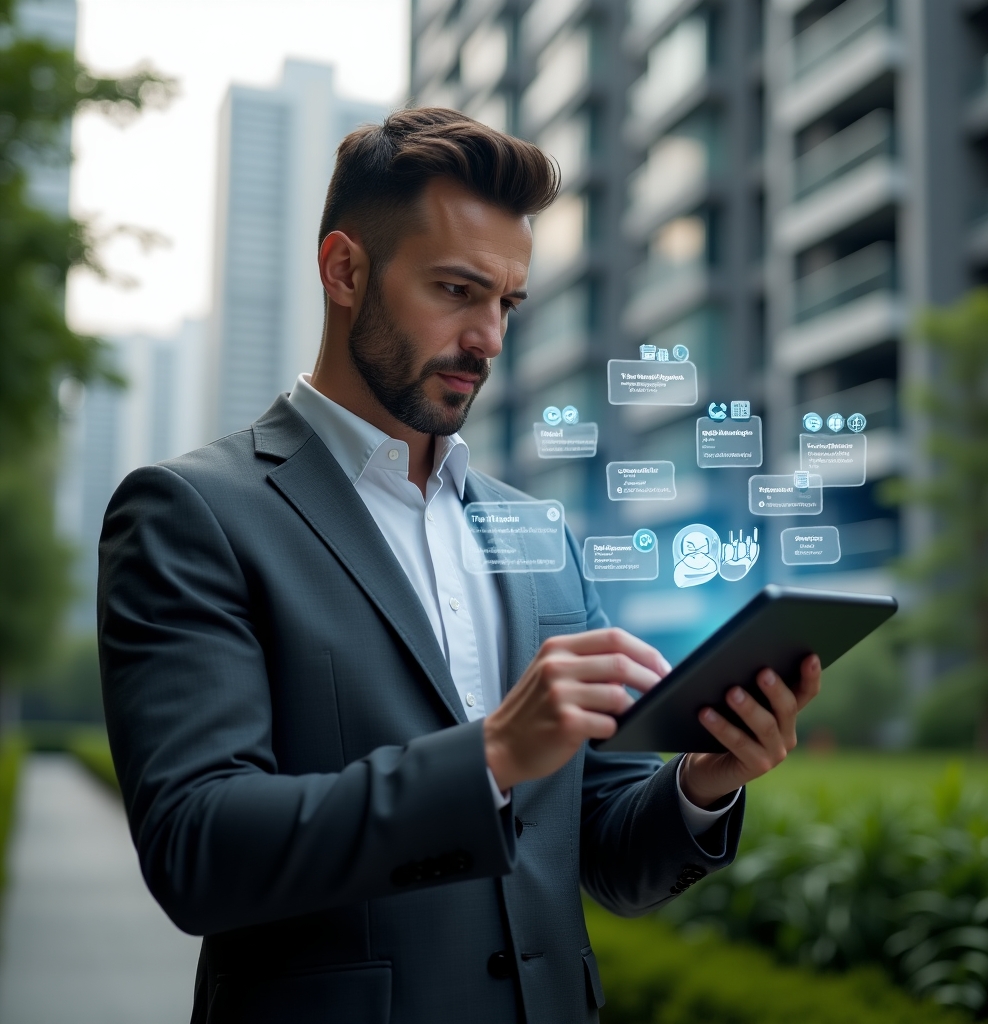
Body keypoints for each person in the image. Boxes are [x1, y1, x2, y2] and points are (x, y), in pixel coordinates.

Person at [98, 108, 821, 1024]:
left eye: (507, 303)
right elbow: (196, 852)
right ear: (344, 270)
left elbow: (595, 852)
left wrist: (704, 781)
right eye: (455, 290)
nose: (488, 338)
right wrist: (491, 755)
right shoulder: (192, 513)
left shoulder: (538, 535)